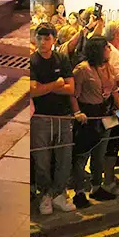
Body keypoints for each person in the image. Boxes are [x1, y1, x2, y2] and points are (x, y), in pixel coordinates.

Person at [70, 35, 119, 208]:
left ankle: (96, 186)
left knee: (100, 153)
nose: (109, 49)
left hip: (106, 114)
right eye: (106, 47)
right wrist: (77, 112)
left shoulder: (108, 66)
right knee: (82, 154)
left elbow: (114, 90)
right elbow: (73, 94)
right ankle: (78, 191)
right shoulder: (82, 70)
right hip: (88, 116)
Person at [31, 22, 78, 215]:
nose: (42, 42)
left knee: (64, 158)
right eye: (39, 38)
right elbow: (32, 91)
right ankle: (45, 195)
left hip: (63, 117)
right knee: (42, 159)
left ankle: (59, 194)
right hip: (41, 118)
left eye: (46, 38)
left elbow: (71, 88)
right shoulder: (32, 61)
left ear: (54, 40)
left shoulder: (62, 59)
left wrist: (46, 87)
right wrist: (56, 84)